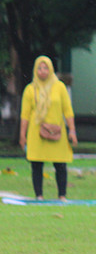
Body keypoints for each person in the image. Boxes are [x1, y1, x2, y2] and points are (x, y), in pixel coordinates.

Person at [19, 56, 77, 200]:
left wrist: (72, 130)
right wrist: (22, 134)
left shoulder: (60, 87)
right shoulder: (30, 89)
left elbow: (68, 110)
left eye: (45, 68)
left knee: (60, 164)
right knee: (37, 164)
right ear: (35, 70)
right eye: (39, 68)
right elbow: (25, 114)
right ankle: (39, 195)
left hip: (58, 131)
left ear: (51, 69)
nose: (42, 71)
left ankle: (62, 195)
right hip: (36, 132)